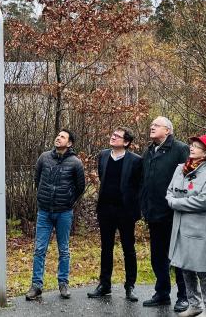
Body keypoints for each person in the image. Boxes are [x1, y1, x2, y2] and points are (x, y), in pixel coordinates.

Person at [25, 128, 86, 301]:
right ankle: (36, 286)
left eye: (63, 137)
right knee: (39, 249)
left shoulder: (75, 163)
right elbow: (37, 180)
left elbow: (80, 187)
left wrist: (68, 201)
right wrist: (42, 198)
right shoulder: (44, 157)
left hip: (64, 213)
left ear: (70, 143)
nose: (58, 138)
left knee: (64, 249)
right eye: (58, 136)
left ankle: (63, 283)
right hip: (44, 212)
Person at [87, 126, 144, 302]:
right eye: (112, 134)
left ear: (126, 142)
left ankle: (130, 286)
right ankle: (105, 285)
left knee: (128, 248)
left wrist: (135, 211)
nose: (112, 137)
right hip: (105, 210)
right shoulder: (103, 156)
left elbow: (139, 187)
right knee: (106, 248)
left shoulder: (135, 160)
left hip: (125, 211)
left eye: (117, 136)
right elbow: (103, 178)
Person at [167, 134, 206, 317]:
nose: (192, 148)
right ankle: (194, 305)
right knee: (185, 267)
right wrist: (173, 199)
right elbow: (169, 192)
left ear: (205, 153)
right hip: (181, 228)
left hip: (200, 230)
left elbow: (203, 202)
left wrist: (177, 203)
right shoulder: (180, 169)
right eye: (192, 145)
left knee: (204, 271)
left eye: (197, 146)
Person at [140, 116, 189, 311]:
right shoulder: (149, 151)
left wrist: (179, 204)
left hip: (173, 213)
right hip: (153, 213)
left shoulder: (180, 149)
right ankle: (162, 293)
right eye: (151, 125)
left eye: (156, 125)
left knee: (178, 256)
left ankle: (184, 296)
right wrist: (143, 205)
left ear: (167, 130)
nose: (151, 127)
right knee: (158, 256)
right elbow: (144, 181)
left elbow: (187, 179)